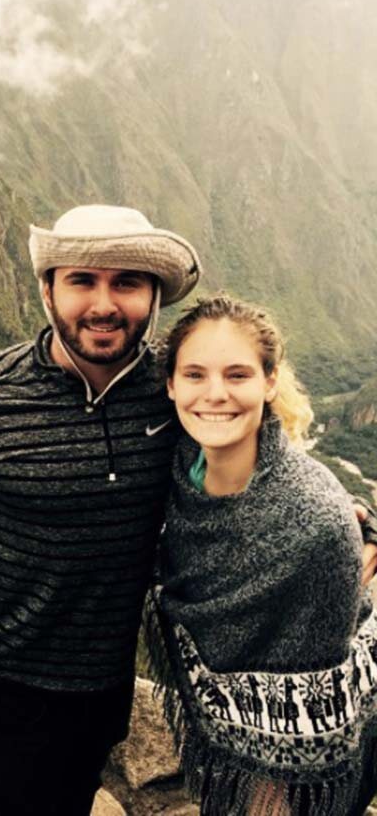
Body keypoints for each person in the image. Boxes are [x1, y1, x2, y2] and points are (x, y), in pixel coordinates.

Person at [0, 204, 202, 816]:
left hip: (106, 680)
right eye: (82, 281)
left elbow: (255, 447)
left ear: (152, 297)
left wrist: (353, 516)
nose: (103, 304)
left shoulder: (176, 390)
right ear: (47, 290)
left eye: (127, 282)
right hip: (6, 683)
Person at [146, 294, 377, 816]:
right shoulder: (177, 468)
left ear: (270, 382)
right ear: (171, 385)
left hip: (303, 771)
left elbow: (311, 703)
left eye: (238, 375)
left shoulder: (314, 526)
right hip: (223, 736)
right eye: (195, 375)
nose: (215, 394)